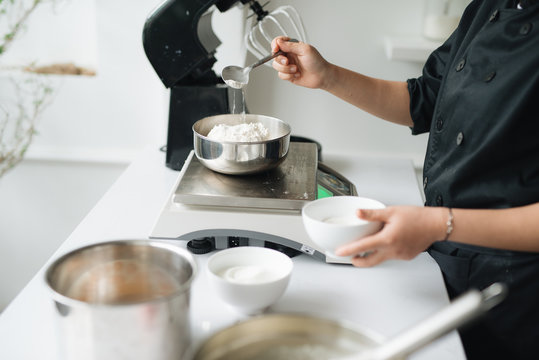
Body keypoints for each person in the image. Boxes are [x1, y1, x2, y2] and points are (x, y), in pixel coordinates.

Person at [271, 1, 539, 359]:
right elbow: (424, 98)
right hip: (451, 258)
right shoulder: (490, 6)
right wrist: (328, 76)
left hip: (517, 291)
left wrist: (438, 224)